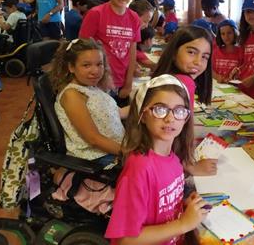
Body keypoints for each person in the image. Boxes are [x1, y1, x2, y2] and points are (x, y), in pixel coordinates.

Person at [105, 74, 210, 245]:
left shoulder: (174, 159)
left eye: (179, 111)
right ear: (143, 115)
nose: (170, 118)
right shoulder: (139, 168)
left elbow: (159, 204)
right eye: (160, 109)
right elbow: (126, 240)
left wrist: (184, 205)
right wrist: (183, 224)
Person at [152, 26, 216, 176]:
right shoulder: (184, 82)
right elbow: (181, 132)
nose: (198, 62)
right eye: (191, 52)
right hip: (163, 162)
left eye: (205, 57)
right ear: (174, 53)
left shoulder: (168, 77)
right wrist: (190, 166)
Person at [50, 38, 126, 162]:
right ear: (71, 67)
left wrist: (144, 104)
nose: (95, 71)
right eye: (86, 65)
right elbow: (93, 138)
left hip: (113, 149)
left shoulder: (91, 88)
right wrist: (130, 153)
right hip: (97, 158)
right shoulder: (72, 95)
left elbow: (120, 112)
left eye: (99, 64)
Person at [79, 0, 141, 105]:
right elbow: (82, 49)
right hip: (98, 81)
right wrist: (102, 77)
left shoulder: (134, 17)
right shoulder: (96, 14)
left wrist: (128, 83)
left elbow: (132, 51)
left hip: (121, 80)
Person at [212, 19, 242, 83]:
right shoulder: (216, 51)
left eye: (229, 33)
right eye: (223, 34)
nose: (226, 37)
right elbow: (211, 70)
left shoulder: (241, 52)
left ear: (235, 33)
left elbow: (242, 70)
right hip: (218, 87)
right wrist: (217, 77)